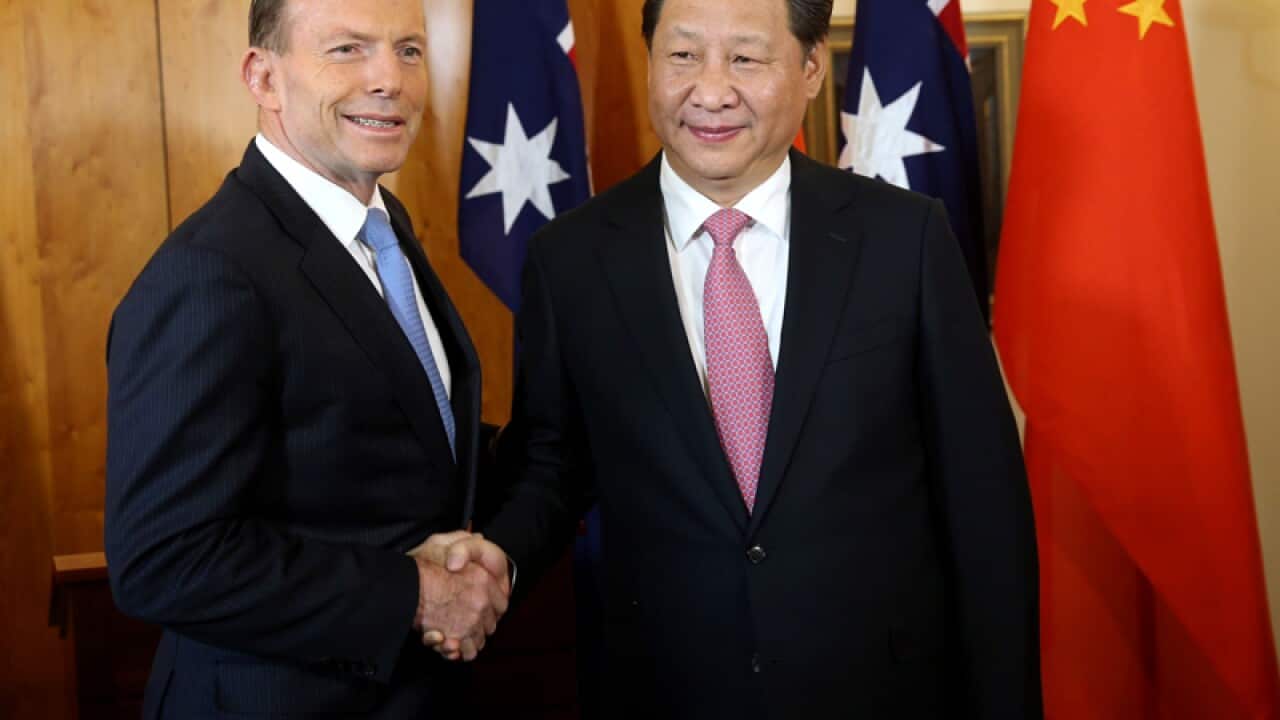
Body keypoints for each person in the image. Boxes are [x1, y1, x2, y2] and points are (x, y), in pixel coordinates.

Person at [443, 0, 1042, 716]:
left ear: (811, 67)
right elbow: (552, 464)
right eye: (683, 55)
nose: (711, 91)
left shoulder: (903, 239)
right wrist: (498, 557)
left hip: (882, 688)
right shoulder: (569, 259)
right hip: (668, 689)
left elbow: (982, 501)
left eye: (745, 58)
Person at [104, 0, 510, 716]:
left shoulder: (381, 224)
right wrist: (417, 594)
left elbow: (396, 449)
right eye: (347, 49)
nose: (390, 79)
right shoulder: (210, 272)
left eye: (409, 50)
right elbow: (165, 559)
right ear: (263, 78)